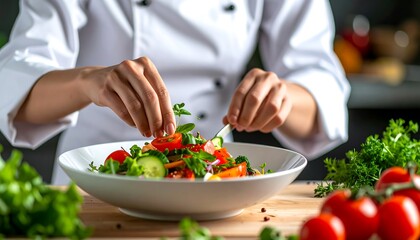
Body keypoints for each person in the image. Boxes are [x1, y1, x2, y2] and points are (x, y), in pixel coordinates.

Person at [0, 0, 350, 184]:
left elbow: (322, 87)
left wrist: (282, 98)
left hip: (216, 187)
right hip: (95, 186)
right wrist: (87, 81)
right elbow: (14, 89)